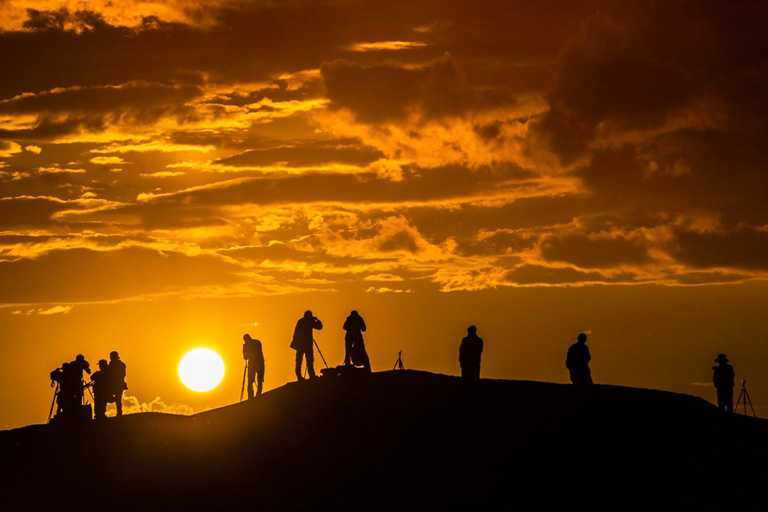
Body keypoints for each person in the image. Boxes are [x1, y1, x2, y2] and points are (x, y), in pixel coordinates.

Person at [291, 310, 323, 380]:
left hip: (301, 345)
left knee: (302, 361)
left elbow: (320, 327)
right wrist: (317, 320)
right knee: (307, 361)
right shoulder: (308, 322)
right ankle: (309, 376)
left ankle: (302, 376)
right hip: (303, 345)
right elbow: (319, 327)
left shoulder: (302, 321)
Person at [243, 334, 265, 398]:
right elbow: (245, 357)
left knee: (257, 380)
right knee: (253, 380)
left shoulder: (256, 343)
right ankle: (253, 396)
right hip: (257, 363)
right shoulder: (257, 342)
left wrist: (245, 348)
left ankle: (255, 395)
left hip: (257, 363)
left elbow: (246, 357)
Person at [108, 351, 127, 416]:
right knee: (117, 399)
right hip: (116, 384)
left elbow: (123, 374)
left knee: (118, 399)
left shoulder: (119, 364)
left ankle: (119, 412)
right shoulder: (119, 364)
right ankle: (119, 412)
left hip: (117, 384)